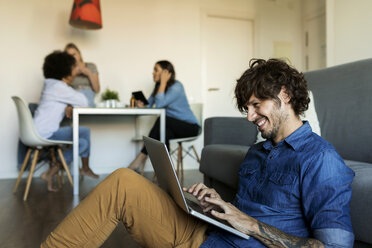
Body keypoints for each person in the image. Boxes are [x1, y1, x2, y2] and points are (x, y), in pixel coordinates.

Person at [41, 58, 354, 247]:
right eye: (246, 108)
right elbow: (248, 208)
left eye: (257, 105)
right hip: (201, 234)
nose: (249, 116)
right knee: (123, 180)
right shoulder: (257, 153)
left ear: (284, 95)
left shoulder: (321, 159)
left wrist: (249, 224)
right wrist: (219, 204)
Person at [34, 51, 99, 191]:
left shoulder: (51, 85)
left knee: (83, 139)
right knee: (84, 136)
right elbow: (84, 102)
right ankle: (81, 168)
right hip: (46, 133)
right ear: (65, 70)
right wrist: (71, 102)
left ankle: (52, 173)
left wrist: (69, 104)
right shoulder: (59, 87)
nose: (76, 72)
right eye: (73, 68)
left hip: (39, 130)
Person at [128, 60, 200, 172]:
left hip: (190, 127)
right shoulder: (158, 87)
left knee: (162, 120)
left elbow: (160, 104)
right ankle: (165, 174)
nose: (153, 73)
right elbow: (150, 105)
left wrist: (162, 82)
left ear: (166, 73)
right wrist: (142, 105)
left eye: (156, 70)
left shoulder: (177, 86)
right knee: (164, 133)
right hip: (172, 126)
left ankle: (140, 158)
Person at [64, 43, 100, 107]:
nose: (72, 57)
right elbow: (63, 88)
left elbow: (97, 90)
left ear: (79, 54)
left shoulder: (91, 66)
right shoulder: (67, 70)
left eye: (74, 54)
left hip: (87, 95)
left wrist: (88, 73)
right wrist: (73, 74)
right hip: (73, 95)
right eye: (69, 56)